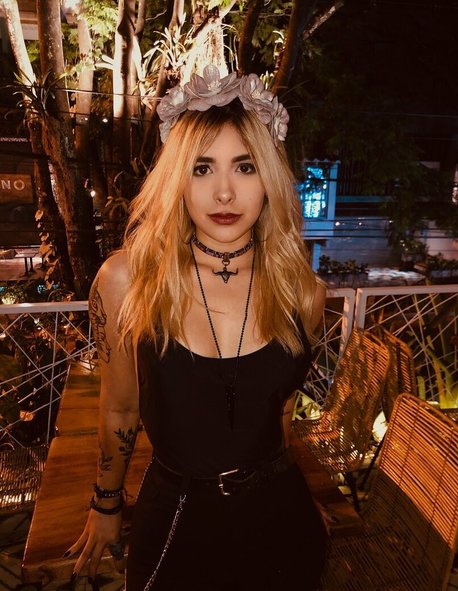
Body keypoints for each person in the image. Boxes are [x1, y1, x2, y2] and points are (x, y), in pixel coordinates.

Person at [67, 65, 328, 591]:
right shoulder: (127, 280)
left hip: (282, 521)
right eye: (202, 168)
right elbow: (120, 408)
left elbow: (278, 415)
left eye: (245, 167)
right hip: (175, 519)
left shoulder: (304, 292)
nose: (224, 193)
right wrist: (106, 502)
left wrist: (303, 500)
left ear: (269, 178)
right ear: (177, 180)